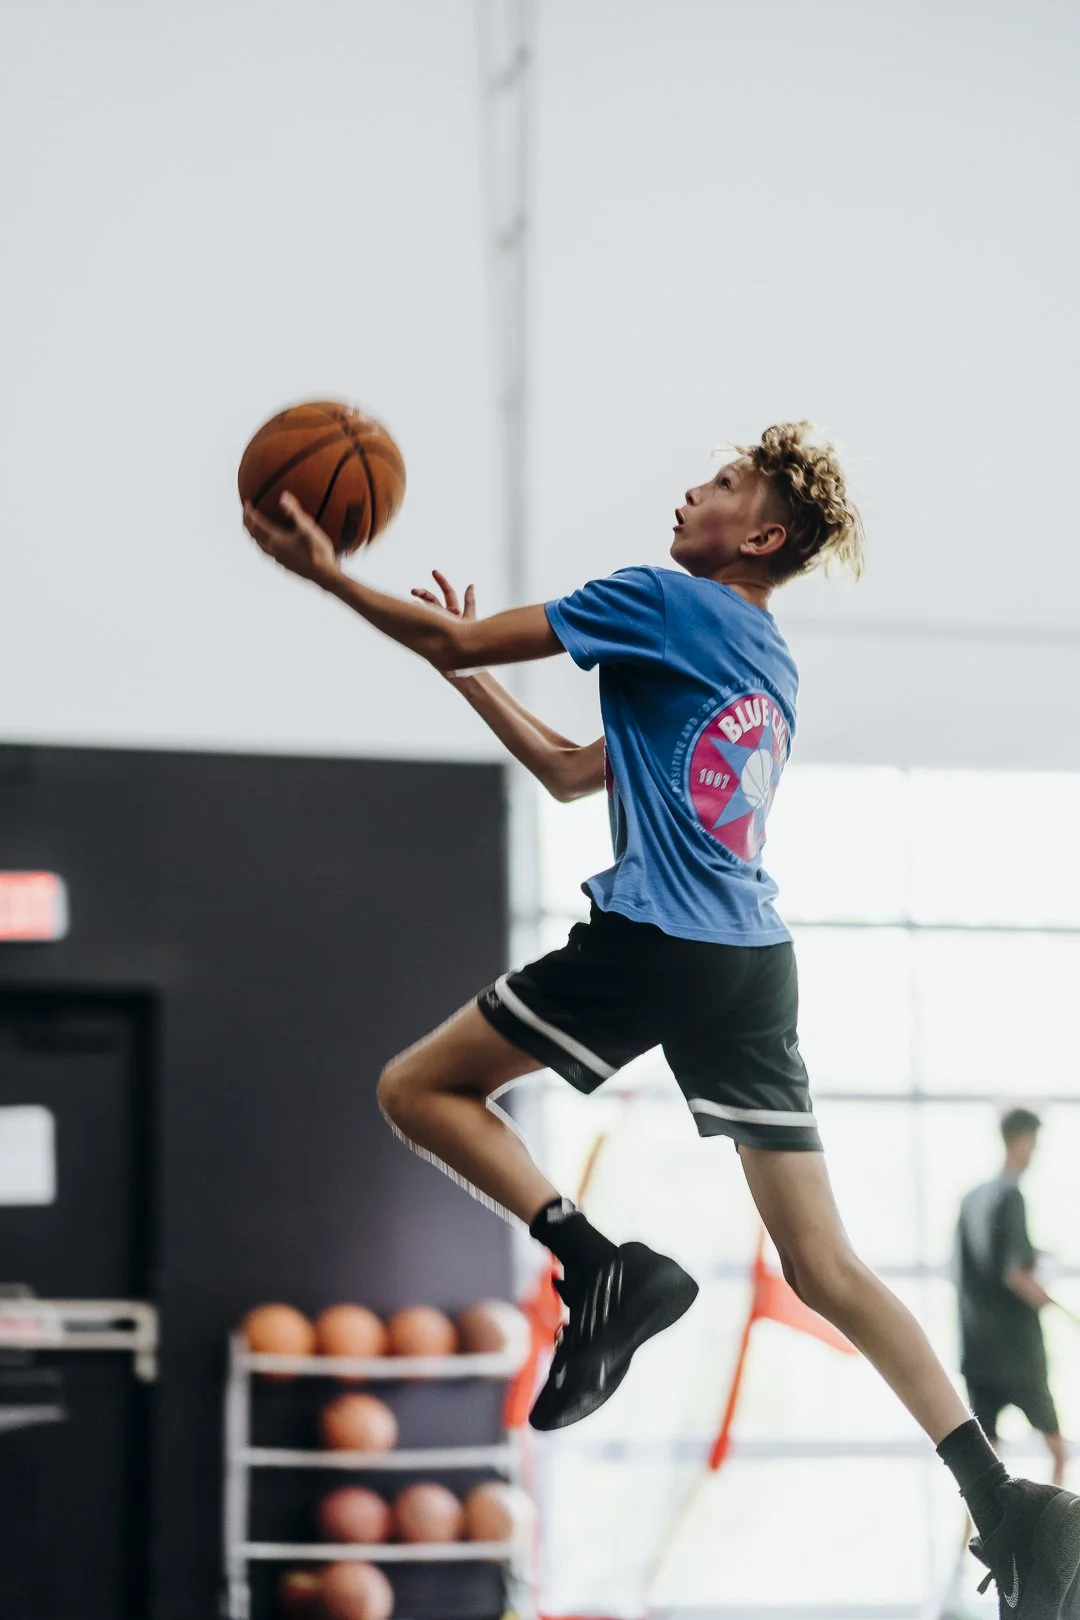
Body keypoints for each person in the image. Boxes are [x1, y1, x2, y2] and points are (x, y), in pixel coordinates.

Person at [245, 421, 1080, 1614]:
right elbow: (571, 772)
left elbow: (456, 631)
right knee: (827, 1263)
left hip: (662, 945)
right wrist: (469, 670)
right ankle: (1008, 1502)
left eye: (725, 483)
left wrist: (332, 576)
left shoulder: (657, 598)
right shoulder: (763, 651)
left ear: (764, 533)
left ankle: (600, 1267)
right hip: (752, 967)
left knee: (416, 1091)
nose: (693, 490)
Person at [957, 1108, 1068, 1488]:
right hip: (1018, 1354)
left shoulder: (972, 1200)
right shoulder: (1011, 1197)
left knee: (983, 1468)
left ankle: (972, 1545)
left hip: (977, 1351)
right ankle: (1060, 1544)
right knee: (1057, 1450)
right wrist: (1059, 1307)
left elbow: (977, 1269)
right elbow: (1015, 1275)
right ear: (1021, 1141)